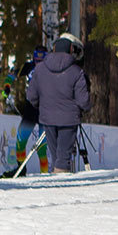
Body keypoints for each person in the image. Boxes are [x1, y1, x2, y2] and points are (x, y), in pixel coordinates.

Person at [26, 33, 91, 173]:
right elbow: (83, 101)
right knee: (63, 159)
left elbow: (31, 96)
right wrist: (83, 108)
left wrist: (43, 105)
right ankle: (60, 188)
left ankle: (57, 184)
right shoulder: (77, 72)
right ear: (71, 50)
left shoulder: (40, 69)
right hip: (68, 120)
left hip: (47, 118)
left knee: (57, 157)